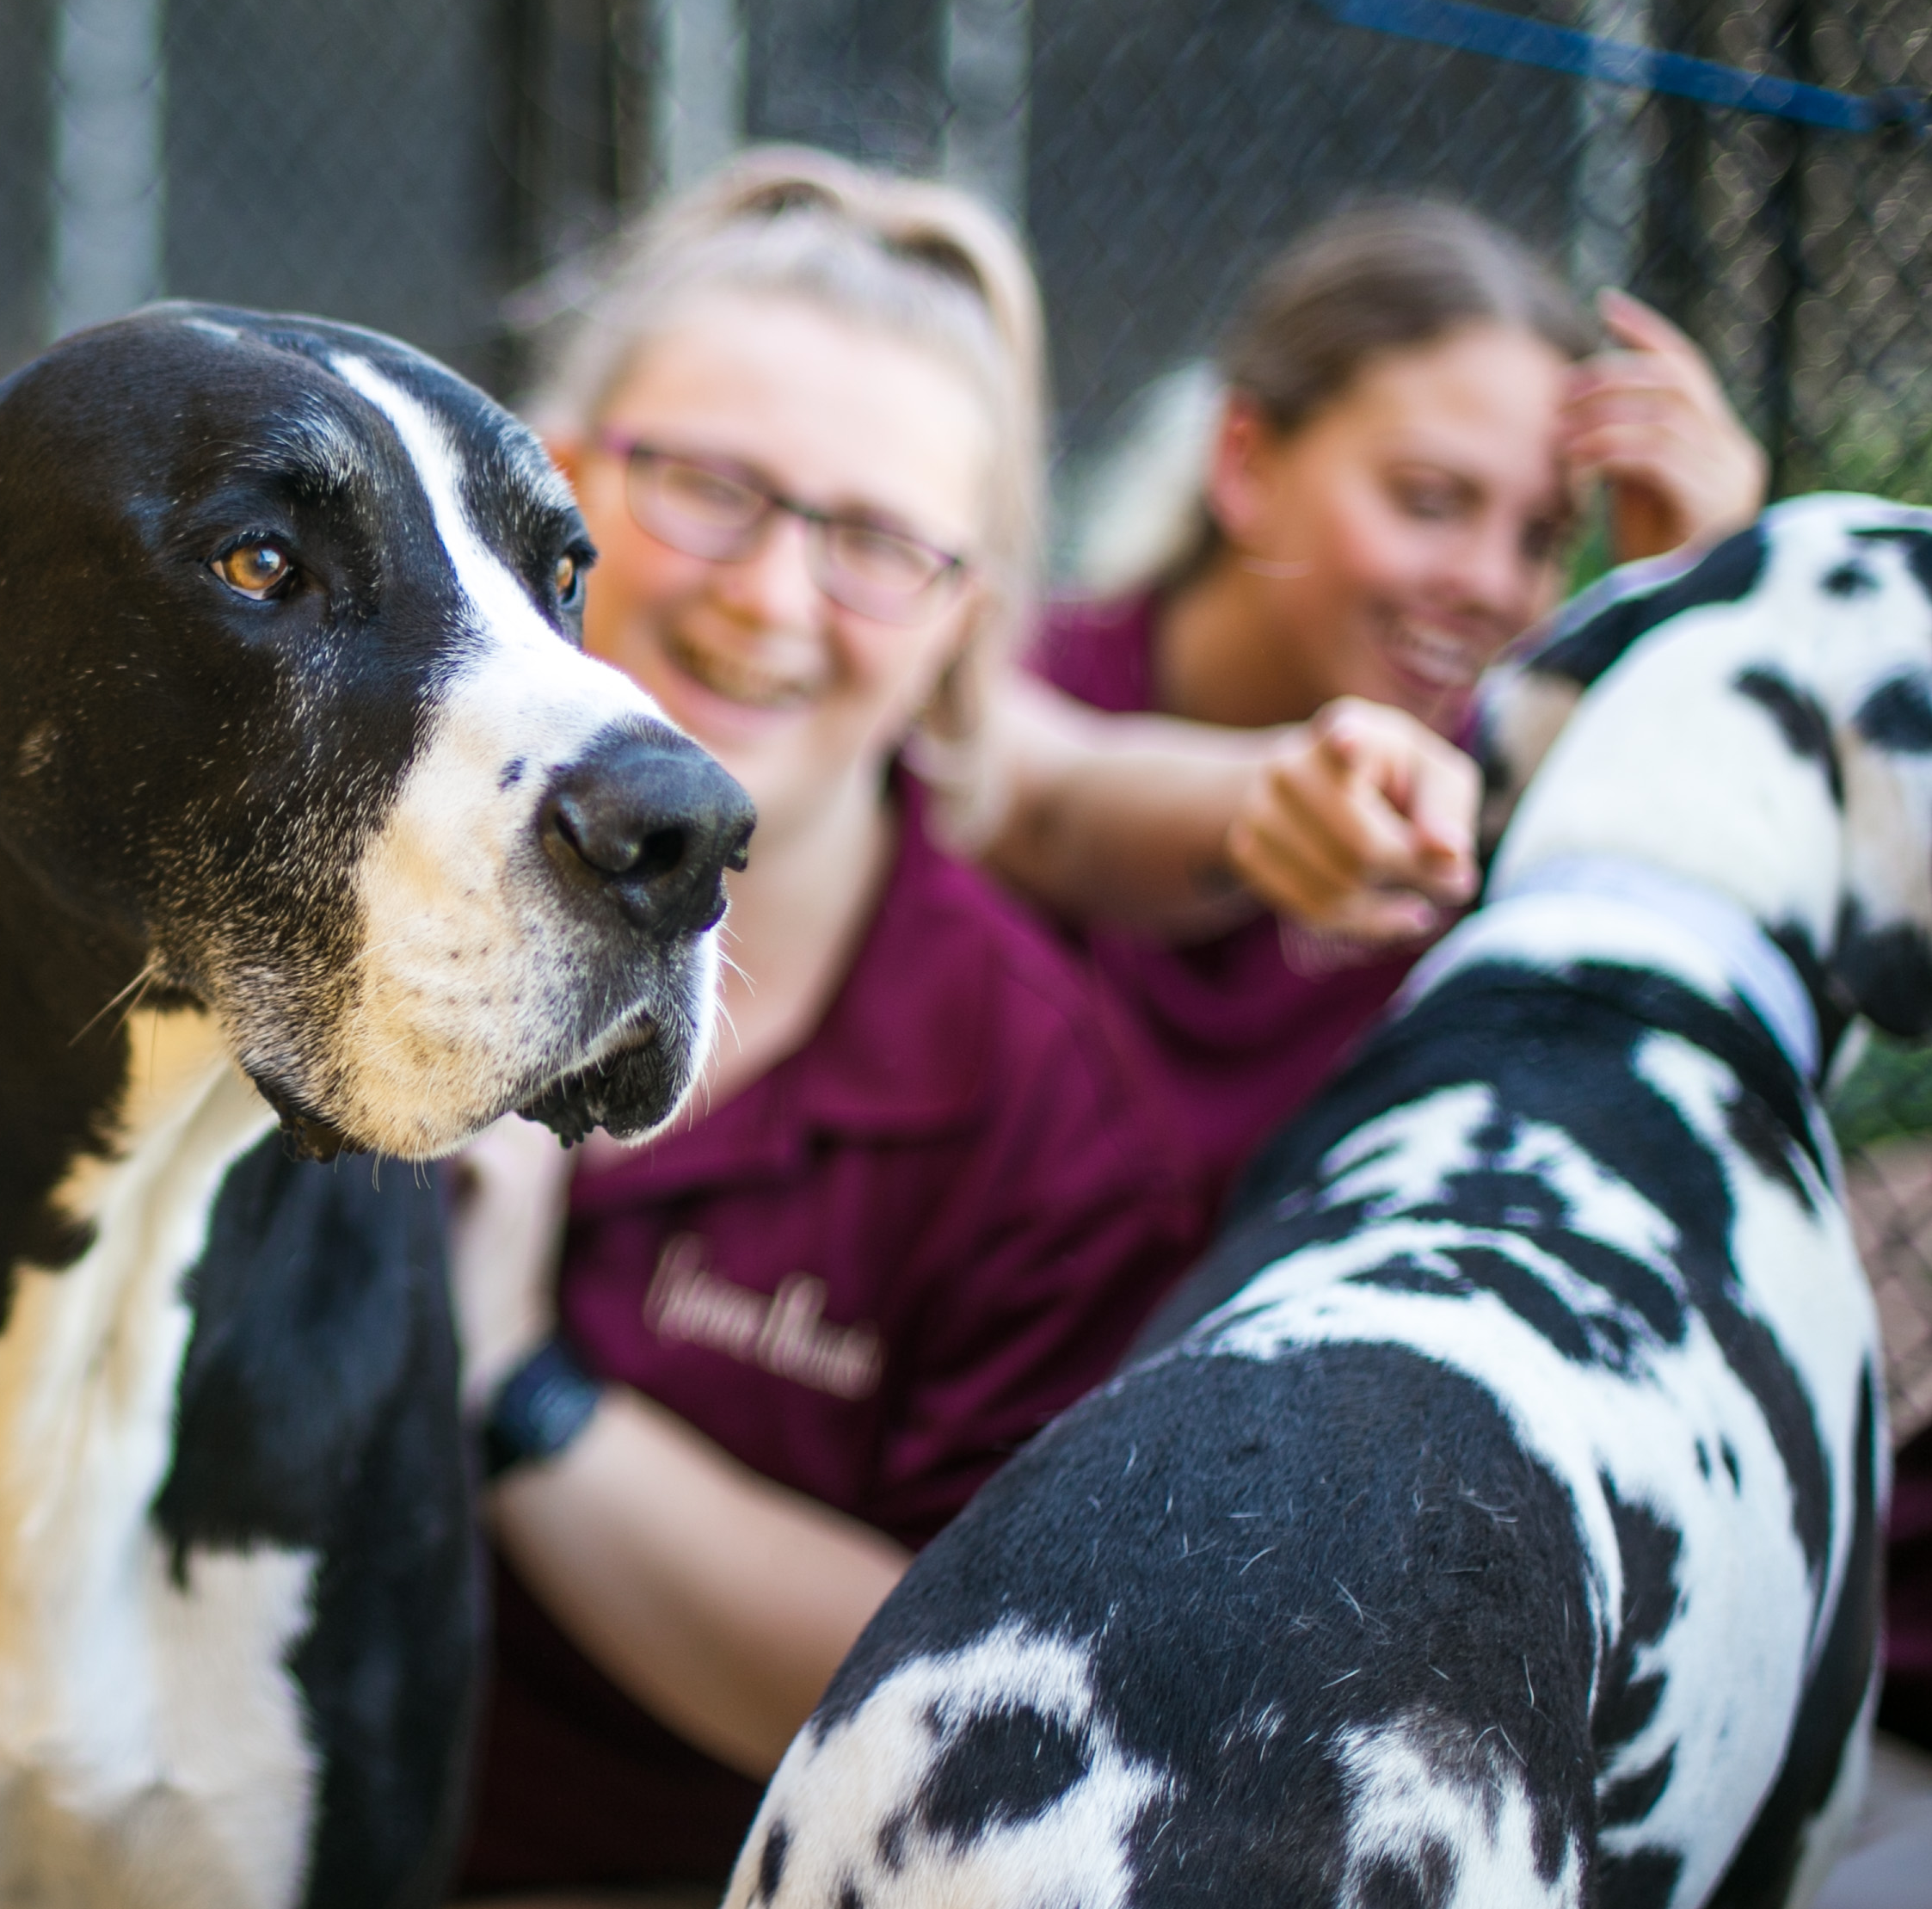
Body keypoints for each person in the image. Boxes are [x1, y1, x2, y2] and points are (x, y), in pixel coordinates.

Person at [442, 150, 1213, 1903]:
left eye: (872, 542)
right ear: (544, 485)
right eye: (706, 487)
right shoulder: (349, 883)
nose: (768, 600)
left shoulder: (1033, 1109)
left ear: (963, 622)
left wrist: (514, 1391)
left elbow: (969, 1696)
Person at [980, 200, 1769, 1206]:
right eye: (1429, 501)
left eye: (1541, 541)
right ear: (1245, 462)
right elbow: (1048, 803)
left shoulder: (1507, 806)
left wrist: (1684, 621)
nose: (1491, 584)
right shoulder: (1013, 686)